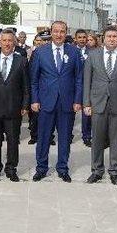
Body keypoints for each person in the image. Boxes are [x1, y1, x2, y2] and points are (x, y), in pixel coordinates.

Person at [30, 21, 83, 182]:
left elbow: (79, 78)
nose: (59, 34)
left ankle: (62, 168)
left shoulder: (74, 52)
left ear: (66, 33)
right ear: (51, 32)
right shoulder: (40, 52)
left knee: (65, 138)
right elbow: (34, 79)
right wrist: (34, 99)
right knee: (44, 137)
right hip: (46, 101)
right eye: (56, 31)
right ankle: (41, 168)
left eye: (62, 31)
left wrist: (77, 100)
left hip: (67, 102)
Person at [83, 27, 117, 185]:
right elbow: (87, 81)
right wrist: (86, 103)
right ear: (103, 38)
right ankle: (97, 170)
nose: (112, 39)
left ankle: (114, 170)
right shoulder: (93, 55)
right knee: (97, 139)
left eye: (115, 36)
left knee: (116, 139)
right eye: (109, 36)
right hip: (98, 103)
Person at [0, 29, 29, 182]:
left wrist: (25, 105)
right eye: (4, 40)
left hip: (13, 108)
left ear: (14, 42)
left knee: (13, 140)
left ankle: (11, 168)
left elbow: (25, 86)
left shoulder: (21, 61)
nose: (7, 43)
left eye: (10, 40)